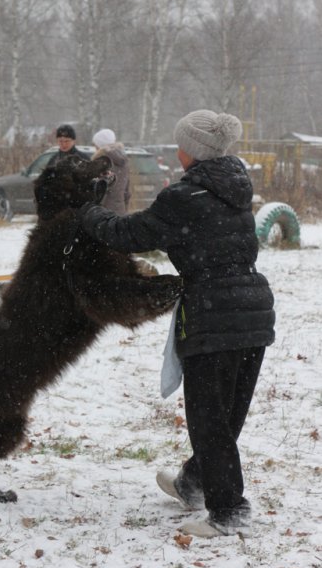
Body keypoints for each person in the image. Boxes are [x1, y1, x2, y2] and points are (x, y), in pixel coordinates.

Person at [77, 110, 275, 538]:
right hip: (252, 308)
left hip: (213, 312)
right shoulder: (235, 187)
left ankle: (228, 511)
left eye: (181, 143)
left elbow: (128, 234)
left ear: (192, 151)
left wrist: (88, 213)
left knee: (209, 418)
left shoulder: (184, 197)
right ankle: (194, 483)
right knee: (227, 412)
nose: (178, 149)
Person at [91, 128, 131, 215]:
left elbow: (100, 191)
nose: (95, 148)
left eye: (96, 145)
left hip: (102, 212)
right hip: (119, 210)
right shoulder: (123, 161)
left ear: (100, 145)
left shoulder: (102, 162)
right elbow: (126, 192)